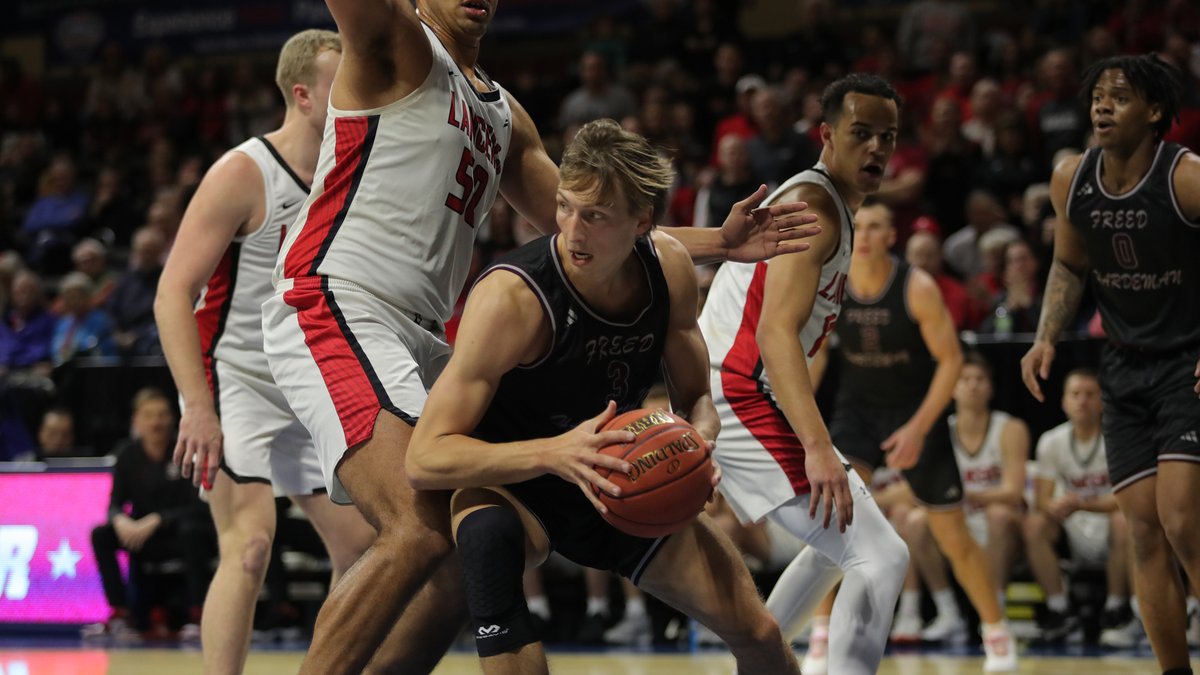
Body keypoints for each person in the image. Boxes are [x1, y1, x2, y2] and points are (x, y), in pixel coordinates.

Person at [262, 2, 816, 672]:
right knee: (415, 522)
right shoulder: (398, 45)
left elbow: (597, 227)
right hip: (336, 297)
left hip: (419, 329)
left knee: (452, 543)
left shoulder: (501, 113)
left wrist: (718, 245)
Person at [407, 118, 800, 675]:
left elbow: (695, 397)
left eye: (595, 216)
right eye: (566, 207)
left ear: (642, 222)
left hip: (620, 471)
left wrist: (698, 439)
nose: (571, 230)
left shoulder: (669, 269)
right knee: (486, 541)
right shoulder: (510, 299)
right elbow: (426, 457)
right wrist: (552, 453)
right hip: (512, 479)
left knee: (759, 633)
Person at [153, 30, 380, 674]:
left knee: (365, 551)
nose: (357, 95)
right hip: (236, 377)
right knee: (250, 547)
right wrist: (197, 406)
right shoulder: (242, 171)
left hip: (307, 379)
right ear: (303, 95)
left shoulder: (351, 170)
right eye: (344, 82)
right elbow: (172, 294)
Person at [698, 74, 915, 675]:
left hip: (742, 387)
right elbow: (774, 334)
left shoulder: (834, 204)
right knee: (882, 554)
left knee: (831, 549)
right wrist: (819, 448)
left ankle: (755, 664)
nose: (876, 148)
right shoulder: (816, 206)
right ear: (827, 135)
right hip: (739, 389)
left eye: (888, 136)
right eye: (861, 133)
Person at [1021, 53, 1200, 675]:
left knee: (1183, 521)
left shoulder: (1186, 178)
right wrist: (1046, 336)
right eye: (1098, 96)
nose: (1102, 105)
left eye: (1119, 97)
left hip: (1188, 364)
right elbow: (1070, 265)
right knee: (1144, 531)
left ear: (1154, 112)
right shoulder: (1072, 178)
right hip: (1123, 366)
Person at [801, 201, 1018, 672]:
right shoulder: (832, 285)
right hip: (856, 412)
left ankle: (996, 631)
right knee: (831, 521)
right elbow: (815, 357)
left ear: (890, 236)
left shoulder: (915, 286)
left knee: (952, 535)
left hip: (914, 412)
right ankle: (820, 635)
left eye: (877, 226)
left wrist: (918, 428)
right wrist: (799, 417)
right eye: (859, 226)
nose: (865, 234)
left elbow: (953, 362)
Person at [896, 352, 1028, 645]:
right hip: (956, 521)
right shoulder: (938, 431)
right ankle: (947, 611)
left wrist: (957, 495)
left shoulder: (1010, 428)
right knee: (915, 520)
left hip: (996, 525)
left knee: (1000, 515)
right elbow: (918, 490)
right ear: (952, 388)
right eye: (965, 379)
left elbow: (1013, 492)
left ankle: (994, 610)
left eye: (979, 380)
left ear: (991, 388)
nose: (972, 386)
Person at [83, 388, 214, 641]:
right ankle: (121, 614)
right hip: (144, 536)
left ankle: (197, 615)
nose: (156, 422)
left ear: (173, 418)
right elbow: (115, 504)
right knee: (101, 535)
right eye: (149, 415)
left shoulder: (187, 448)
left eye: (162, 415)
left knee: (192, 531)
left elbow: (200, 505)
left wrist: (159, 519)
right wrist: (119, 519)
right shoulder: (126, 454)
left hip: (180, 532)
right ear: (137, 421)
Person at [1021, 368, 1134, 644]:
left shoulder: (1119, 438)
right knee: (1035, 523)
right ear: (1064, 402)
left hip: (1108, 518)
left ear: (1102, 401)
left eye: (1090, 395)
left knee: (1125, 519)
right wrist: (1056, 506)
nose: (1082, 401)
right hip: (1071, 523)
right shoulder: (1051, 441)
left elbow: (1129, 499)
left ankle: (1117, 608)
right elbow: (1041, 500)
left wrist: (1082, 503)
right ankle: (1060, 609)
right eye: (1075, 394)